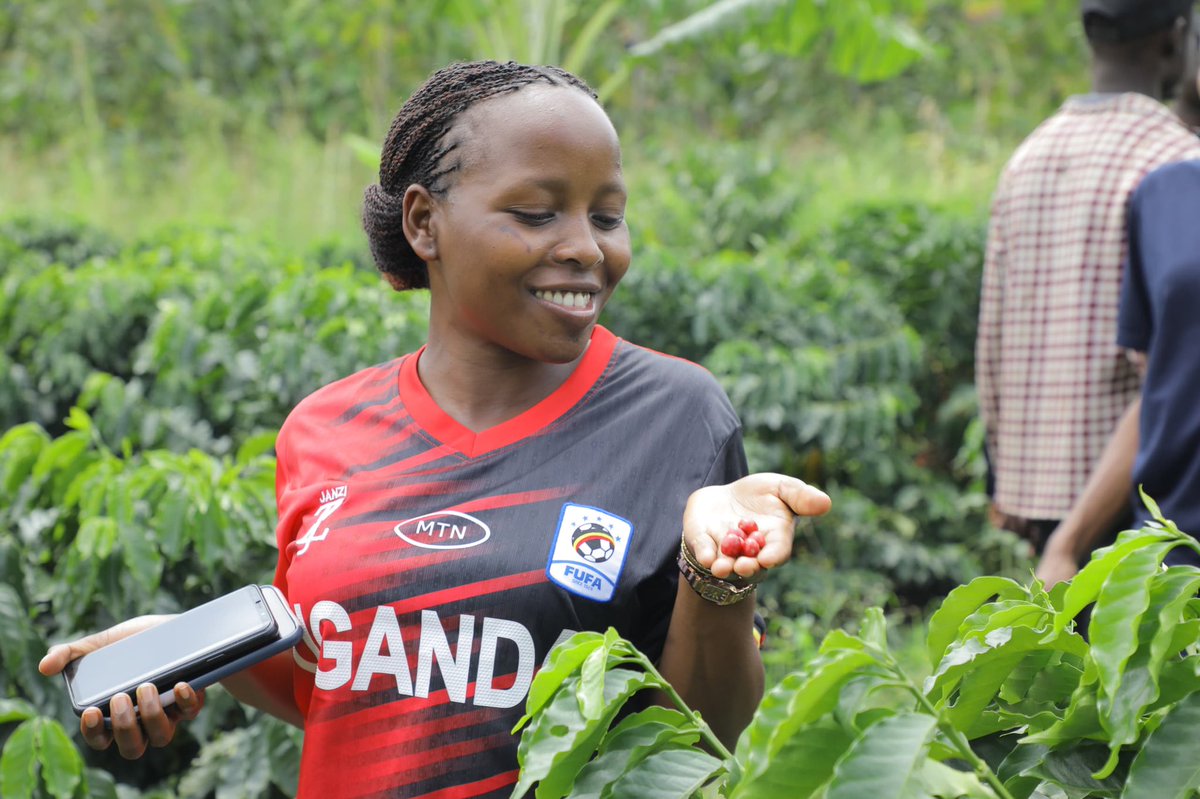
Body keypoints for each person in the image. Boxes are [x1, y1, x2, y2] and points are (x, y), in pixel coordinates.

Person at [38, 60, 832, 798]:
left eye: (608, 215)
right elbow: (338, 682)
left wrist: (717, 578)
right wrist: (196, 655)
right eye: (536, 212)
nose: (586, 248)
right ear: (424, 222)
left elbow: (710, 728)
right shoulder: (324, 428)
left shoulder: (675, 413)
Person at [976, 0, 1200, 556]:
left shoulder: (1027, 157)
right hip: (1136, 510)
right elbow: (1170, 371)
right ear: (1175, 39)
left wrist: (1004, 483)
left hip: (1040, 500)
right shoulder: (1177, 164)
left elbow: (993, 342)